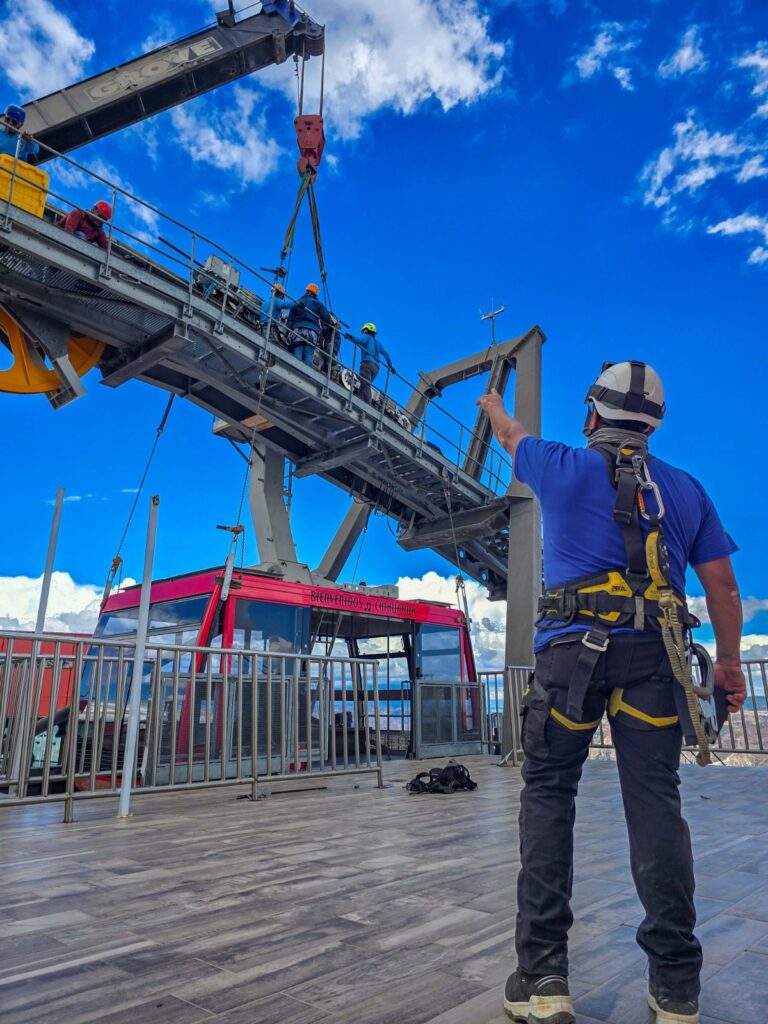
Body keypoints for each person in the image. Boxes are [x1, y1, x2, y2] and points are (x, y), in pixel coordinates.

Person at [477, 361, 746, 1024]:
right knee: (655, 806)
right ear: (655, 424)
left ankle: (543, 980)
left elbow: (511, 436)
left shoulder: (558, 465)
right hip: (658, 660)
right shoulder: (687, 491)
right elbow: (723, 591)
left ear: (592, 415)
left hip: (571, 656)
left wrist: (491, 403)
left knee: (548, 799)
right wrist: (731, 666)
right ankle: (677, 989)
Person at [345, 322, 394, 402]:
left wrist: (350, 337)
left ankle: (367, 405)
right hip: (376, 368)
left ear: (366, 330)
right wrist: (390, 367)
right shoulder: (378, 343)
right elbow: (386, 354)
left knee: (365, 384)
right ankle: (360, 401)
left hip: (367, 363)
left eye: (363, 330)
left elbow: (360, 340)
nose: (362, 332)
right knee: (364, 384)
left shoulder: (366, 336)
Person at [285, 282, 331, 366]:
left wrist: (287, 330)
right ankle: (306, 374)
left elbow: (291, 318)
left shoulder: (299, 302)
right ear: (315, 294)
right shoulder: (318, 304)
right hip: (312, 332)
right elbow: (326, 317)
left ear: (306, 291)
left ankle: (296, 370)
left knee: (297, 353)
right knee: (308, 355)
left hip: (298, 330)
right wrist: (330, 324)